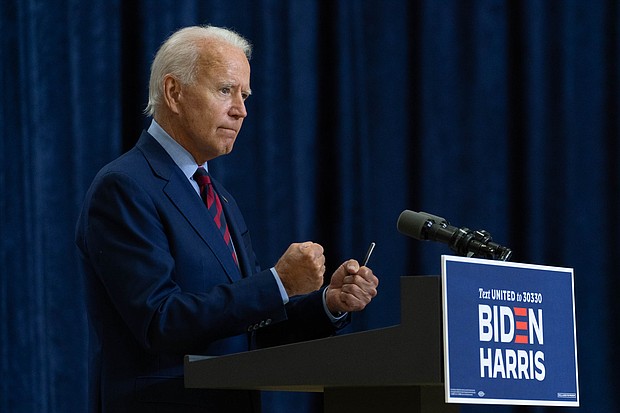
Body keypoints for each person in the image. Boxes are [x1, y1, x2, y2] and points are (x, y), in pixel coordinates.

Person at [75, 25, 379, 413]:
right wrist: (278, 283)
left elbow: (247, 328)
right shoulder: (124, 187)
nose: (241, 109)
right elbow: (160, 320)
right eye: (225, 90)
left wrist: (327, 303)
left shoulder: (218, 198)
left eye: (244, 95)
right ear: (174, 93)